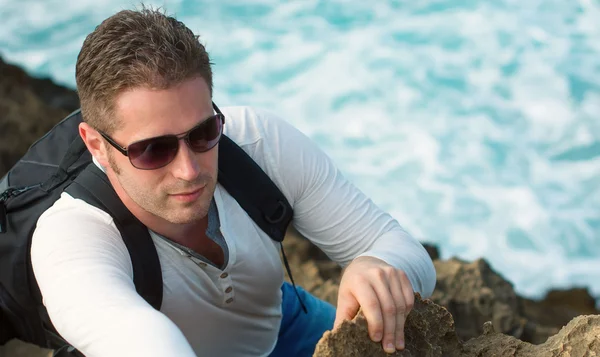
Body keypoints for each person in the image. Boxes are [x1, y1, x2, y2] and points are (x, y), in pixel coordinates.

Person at [30, 7, 436, 357]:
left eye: (204, 133)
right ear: (97, 146)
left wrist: (378, 266)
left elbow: (403, 250)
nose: (190, 169)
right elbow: (141, 341)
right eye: (153, 150)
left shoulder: (259, 143)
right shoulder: (70, 239)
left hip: (283, 322)